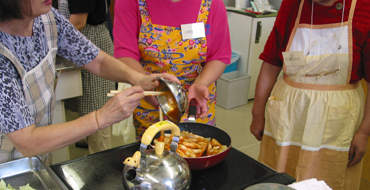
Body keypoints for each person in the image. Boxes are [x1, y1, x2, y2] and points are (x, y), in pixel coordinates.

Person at [250, 0, 370, 190]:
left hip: (336, 120)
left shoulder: (369, 7)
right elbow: (272, 63)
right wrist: (257, 113)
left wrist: (365, 132)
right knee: (278, 181)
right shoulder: (292, 4)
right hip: (288, 115)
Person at [0, 0, 177, 165]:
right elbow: (27, 141)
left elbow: (96, 60)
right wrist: (101, 117)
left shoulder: (47, 19)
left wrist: (138, 78)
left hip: (36, 159)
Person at [113, 0, 231, 140]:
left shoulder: (212, 3)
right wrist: (148, 87)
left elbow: (219, 55)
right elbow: (125, 53)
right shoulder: (130, 2)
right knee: (154, 154)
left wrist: (201, 82)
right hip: (152, 98)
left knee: (195, 151)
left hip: (196, 103)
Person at [61, 0, 116, 154]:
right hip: (84, 44)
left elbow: (78, 22)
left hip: (92, 43)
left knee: (98, 107)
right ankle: (90, 139)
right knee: (89, 106)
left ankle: (101, 161)